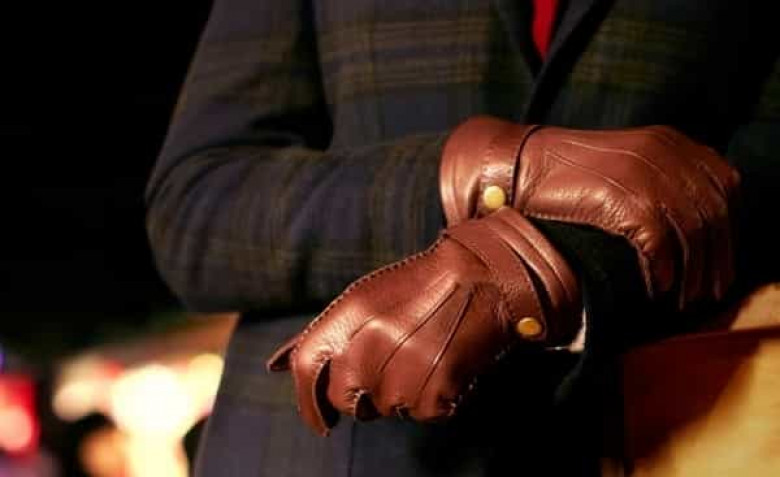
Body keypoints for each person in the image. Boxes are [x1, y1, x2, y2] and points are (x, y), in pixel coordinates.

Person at [145, 0, 780, 475]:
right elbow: (194, 204)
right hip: (325, 454)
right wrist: (500, 170)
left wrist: (543, 272)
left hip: (660, 434)